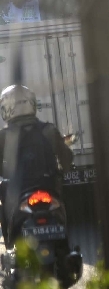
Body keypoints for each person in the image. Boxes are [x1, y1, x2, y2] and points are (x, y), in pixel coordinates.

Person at [0, 85, 73, 244]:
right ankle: (65, 241)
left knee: (4, 206)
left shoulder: (4, 136)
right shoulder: (48, 130)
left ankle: (10, 242)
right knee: (61, 205)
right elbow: (67, 158)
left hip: (18, 192)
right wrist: (62, 171)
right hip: (48, 187)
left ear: (7, 108)